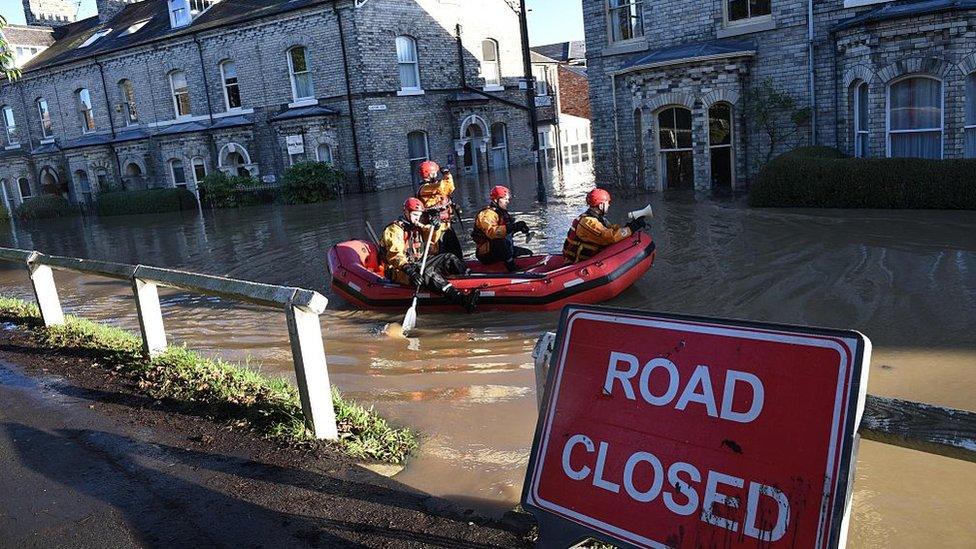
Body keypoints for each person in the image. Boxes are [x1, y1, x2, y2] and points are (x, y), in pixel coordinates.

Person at [382, 197, 479, 313]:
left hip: (418, 262)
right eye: (414, 214)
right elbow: (395, 255)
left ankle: (472, 280)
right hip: (400, 270)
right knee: (427, 272)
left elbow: (431, 241)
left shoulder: (417, 226)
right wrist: (410, 271)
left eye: (419, 215)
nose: (417, 218)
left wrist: (436, 227)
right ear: (406, 212)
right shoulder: (394, 230)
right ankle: (461, 299)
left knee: (449, 257)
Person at [562, 188, 646, 263]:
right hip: (578, 263)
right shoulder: (588, 222)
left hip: (588, 260)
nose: (609, 205)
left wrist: (628, 226)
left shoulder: (599, 219)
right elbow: (611, 237)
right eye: (607, 203)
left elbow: (612, 230)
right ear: (601, 205)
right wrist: (632, 228)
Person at [472, 185, 532, 271]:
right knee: (499, 242)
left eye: (507, 199)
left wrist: (518, 228)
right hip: (486, 252)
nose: (507, 201)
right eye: (504, 199)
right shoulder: (487, 214)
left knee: (527, 253)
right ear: (496, 200)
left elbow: (506, 232)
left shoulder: (502, 213)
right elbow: (492, 233)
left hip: (503, 249)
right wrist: (512, 227)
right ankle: (512, 269)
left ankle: (521, 266)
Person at [416, 160, 463, 259]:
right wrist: (446, 175)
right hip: (434, 228)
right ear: (429, 174)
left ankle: (459, 266)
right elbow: (441, 188)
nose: (437, 175)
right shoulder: (425, 189)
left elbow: (450, 188)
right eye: (435, 173)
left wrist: (448, 175)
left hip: (446, 224)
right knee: (440, 252)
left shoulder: (435, 186)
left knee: (456, 249)